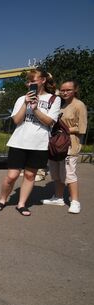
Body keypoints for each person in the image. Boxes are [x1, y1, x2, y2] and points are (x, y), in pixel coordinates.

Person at [0, 69, 60, 216]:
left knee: (30, 175)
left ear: (43, 80)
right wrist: (25, 103)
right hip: (19, 142)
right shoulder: (21, 98)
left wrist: (35, 109)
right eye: (29, 82)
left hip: (39, 144)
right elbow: (16, 120)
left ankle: (21, 204)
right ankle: (2, 199)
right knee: (12, 176)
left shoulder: (54, 99)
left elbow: (50, 122)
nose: (31, 84)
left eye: (33, 81)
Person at [42, 80, 88, 214]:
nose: (65, 92)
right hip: (56, 143)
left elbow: (82, 128)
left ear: (75, 90)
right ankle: (58, 197)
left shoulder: (79, 105)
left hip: (69, 144)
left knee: (69, 173)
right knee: (56, 172)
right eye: (63, 90)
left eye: (68, 90)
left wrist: (65, 129)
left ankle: (75, 201)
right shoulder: (61, 104)